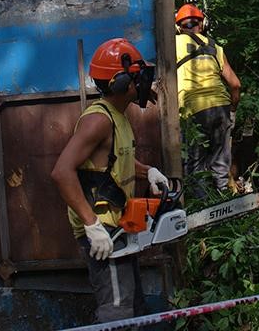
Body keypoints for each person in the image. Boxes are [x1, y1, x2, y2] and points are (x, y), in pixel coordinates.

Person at [50, 38, 170, 323]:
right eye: (137, 77)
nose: (142, 82)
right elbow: (61, 171)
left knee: (134, 311)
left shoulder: (119, 116)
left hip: (119, 227)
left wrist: (148, 171)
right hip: (103, 231)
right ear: (119, 83)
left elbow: (111, 163)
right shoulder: (99, 120)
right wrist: (91, 225)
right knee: (117, 314)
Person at [174, 3, 241, 195]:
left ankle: (201, 208)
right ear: (203, 24)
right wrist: (233, 111)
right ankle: (224, 201)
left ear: (178, 27)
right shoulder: (215, 47)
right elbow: (235, 85)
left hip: (192, 110)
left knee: (195, 164)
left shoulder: (172, 45)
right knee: (221, 160)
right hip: (221, 107)